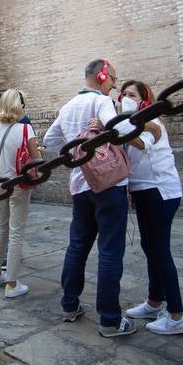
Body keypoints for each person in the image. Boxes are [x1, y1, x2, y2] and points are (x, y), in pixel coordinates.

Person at [44, 59, 140, 338]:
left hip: (80, 186)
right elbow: (120, 131)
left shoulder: (67, 107)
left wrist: (76, 156)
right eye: (112, 78)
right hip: (109, 185)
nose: (114, 83)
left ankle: (69, 305)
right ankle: (110, 319)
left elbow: (51, 140)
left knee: (77, 246)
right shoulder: (102, 102)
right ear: (101, 76)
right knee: (110, 251)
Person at [119, 80, 183, 335]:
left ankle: (177, 315)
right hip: (144, 192)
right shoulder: (128, 125)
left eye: (132, 95)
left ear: (143, 100)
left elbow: (141, 144)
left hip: (160, 192)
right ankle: (154, 300)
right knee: (149, 246)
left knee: (160, 251)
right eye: (123, 94)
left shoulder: (153, 124)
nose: (126, 98)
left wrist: (125, 119)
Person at [0, 90, 41, 298]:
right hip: (18, 184)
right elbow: (36, 157)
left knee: (2, 230)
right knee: (16, 232)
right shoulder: (25, 128)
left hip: (0, 183)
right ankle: (12, 283)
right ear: (19, 105)